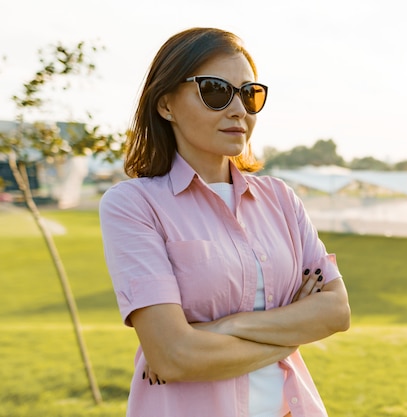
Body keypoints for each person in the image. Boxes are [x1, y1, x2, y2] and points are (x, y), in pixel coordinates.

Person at [99, 27, 351, 417]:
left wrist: (216, 329)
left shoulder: (280, 200)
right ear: (166, 105)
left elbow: (336, 312)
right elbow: (173, 356)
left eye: (250, 95)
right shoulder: (133, 205)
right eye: (215, 91)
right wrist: (293, 330)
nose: (238, 110)